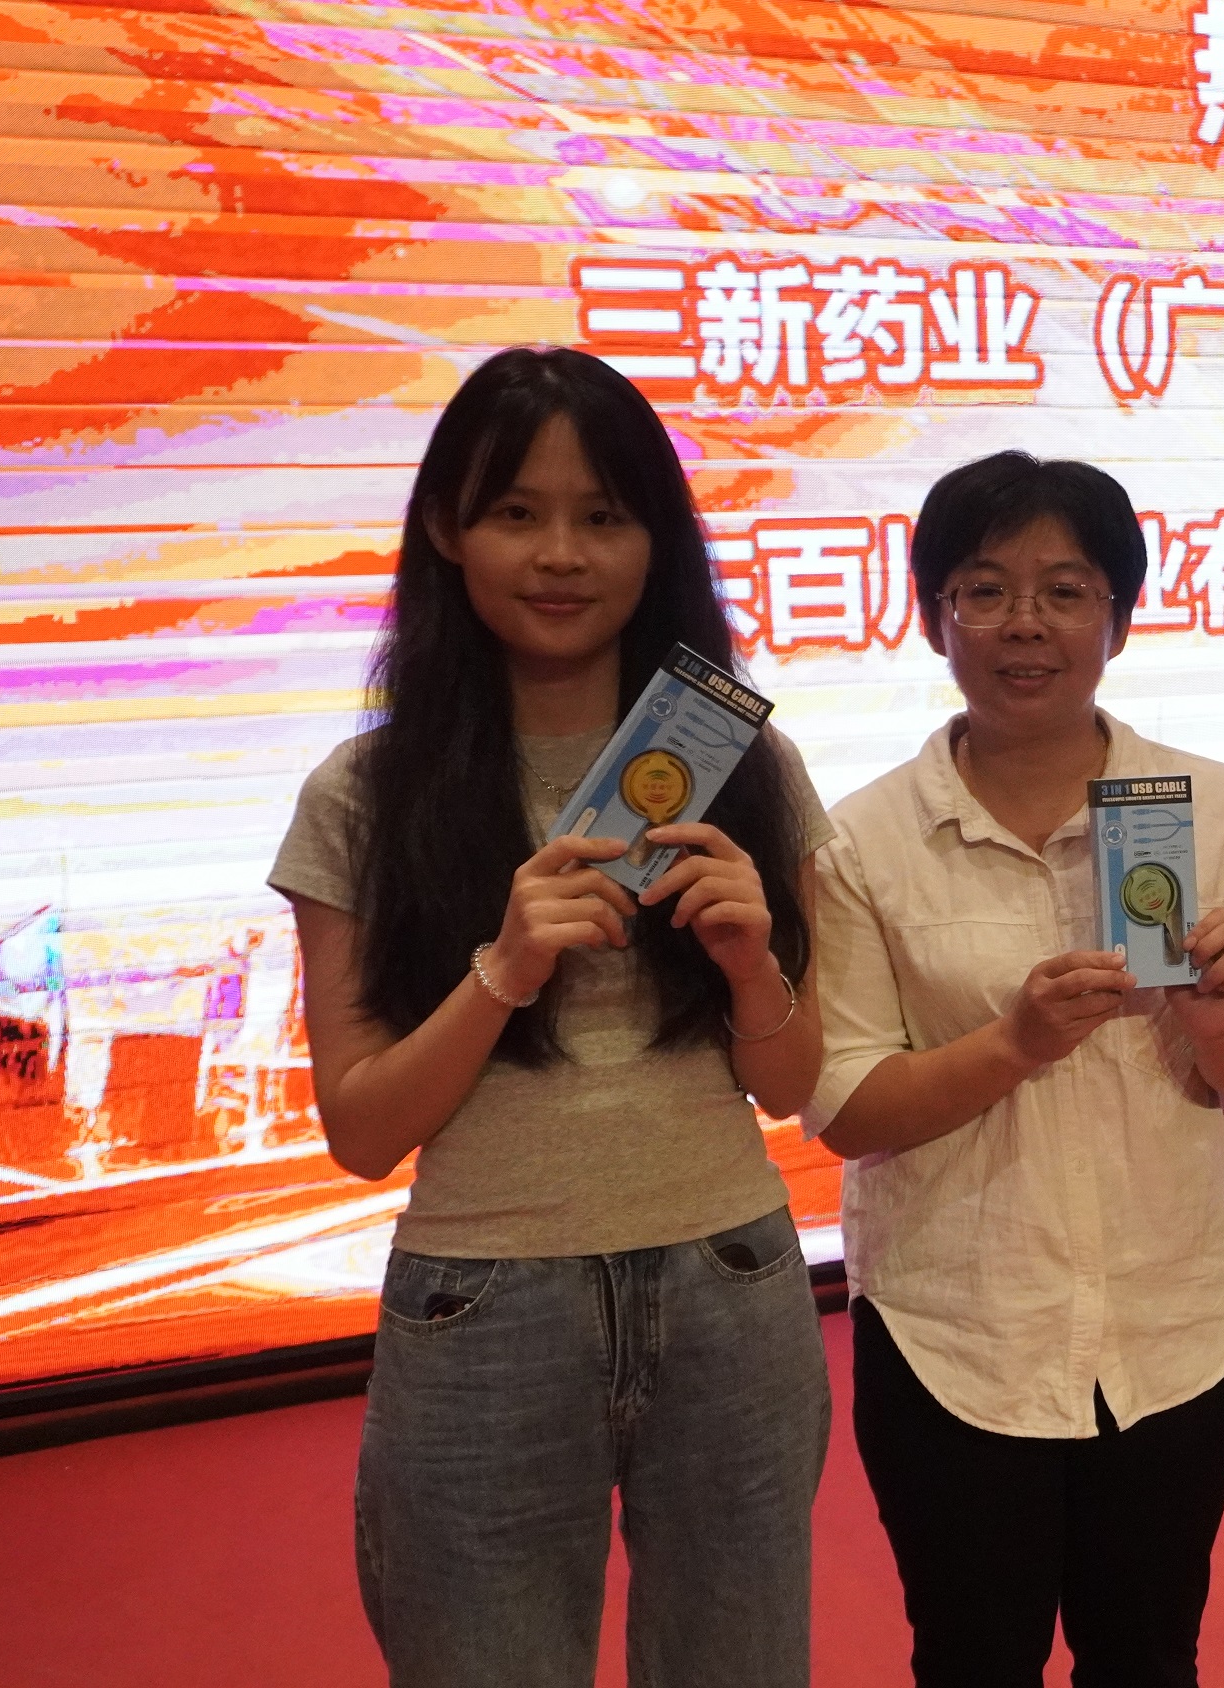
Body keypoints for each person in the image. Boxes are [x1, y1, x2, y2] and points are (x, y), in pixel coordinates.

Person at [271, 346, 833, 1688]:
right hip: (483, 1304)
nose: (562, 554)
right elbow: (362, 1129)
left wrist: (754, 966)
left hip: (732, 1280)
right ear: (445, 529)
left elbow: (795, 1082)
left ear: (658, 539)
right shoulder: (364, 795)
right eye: (518, 512)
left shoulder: (750, 766)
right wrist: (505, 969)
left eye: (604, 515)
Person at [801, 451, 1224, 1687]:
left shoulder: (1210, 806)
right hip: (955, 1333)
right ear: (934, 617)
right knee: (972, 1655)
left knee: (1148, 1652)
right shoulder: (861, 839)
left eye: (1066, 590)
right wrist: (1014, 1043)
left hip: (1173, 1321)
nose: (1024, 623)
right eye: (985, 590)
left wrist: (1216, 1020)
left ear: (1118, 618)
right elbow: (847, 1106)